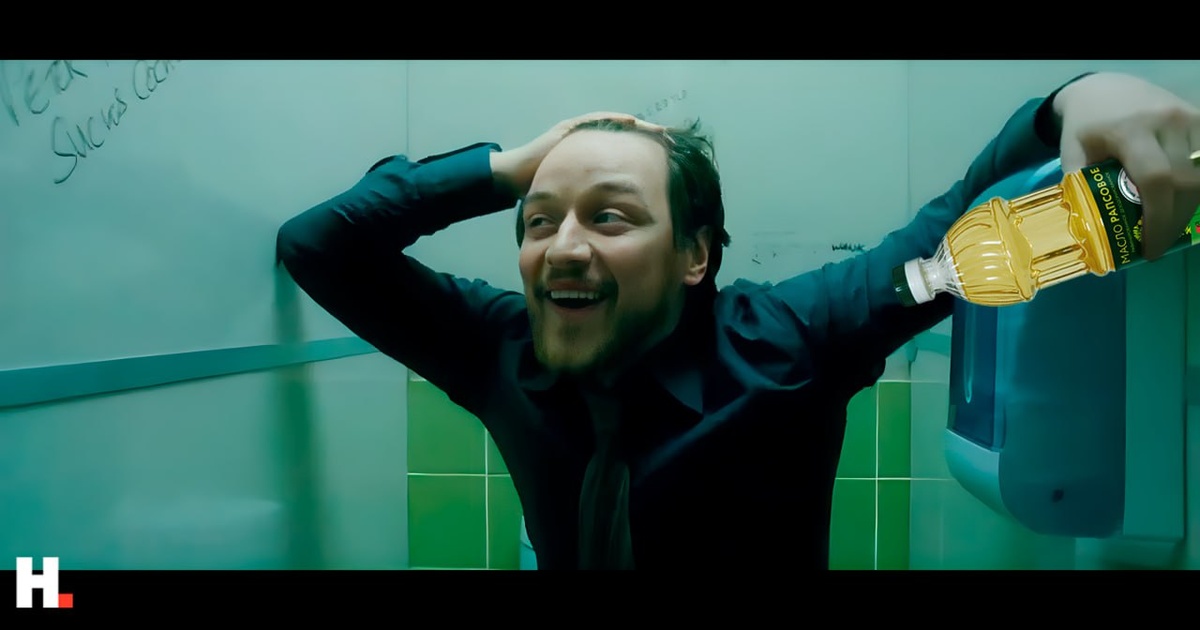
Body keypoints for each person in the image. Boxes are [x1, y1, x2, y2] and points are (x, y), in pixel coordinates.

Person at [276, 70, 1200, 570]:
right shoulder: (497, 349)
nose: (562, 248)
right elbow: (317, 246)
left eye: (610, 216)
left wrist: (1076, 99)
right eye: (539, 220)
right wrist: (507, 166)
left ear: (695, 255)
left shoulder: (794, 341)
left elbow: (959, 231)